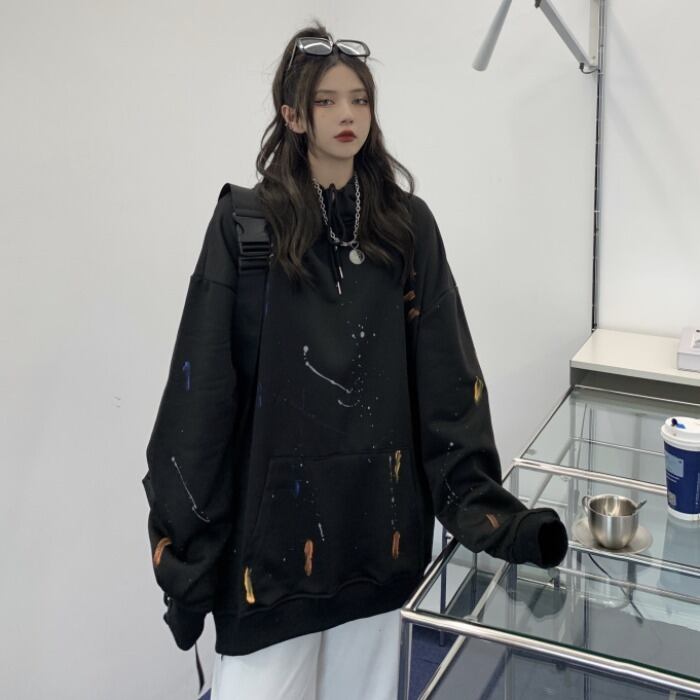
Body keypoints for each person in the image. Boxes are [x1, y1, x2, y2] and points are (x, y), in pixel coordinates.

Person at [142, 20, 569, 700]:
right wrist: (187, 561)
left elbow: (446, 382)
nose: (348, 115)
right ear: (293, 115)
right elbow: (202, 400)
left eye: (360, 99)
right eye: (327, 100)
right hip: (269, 565)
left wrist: (494, 518)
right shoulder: (247, 228)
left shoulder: (406, 228)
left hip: (381, 545)